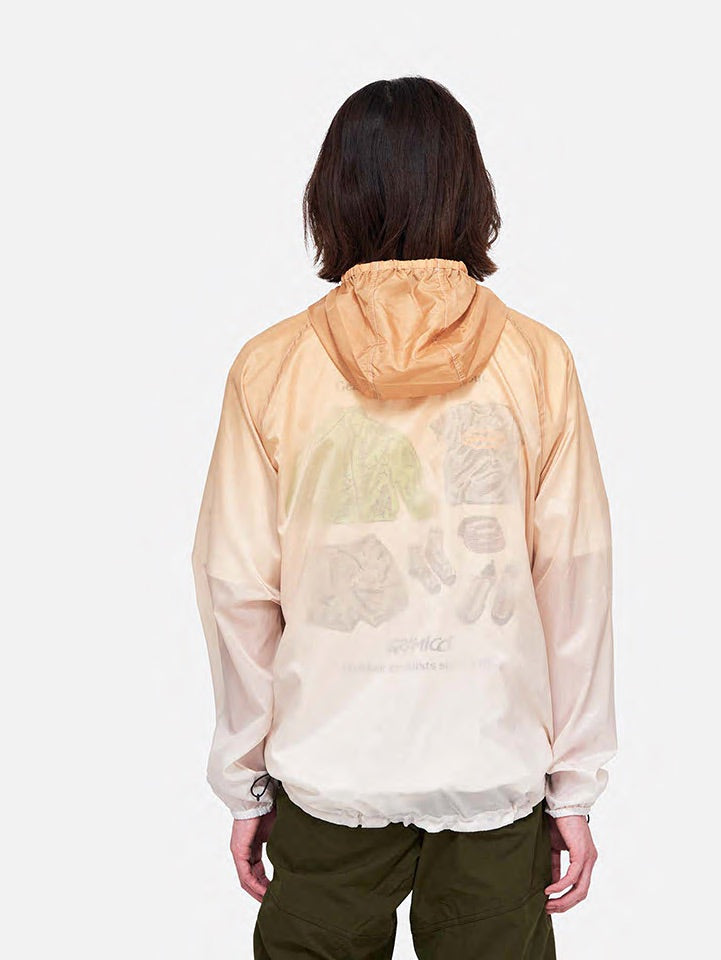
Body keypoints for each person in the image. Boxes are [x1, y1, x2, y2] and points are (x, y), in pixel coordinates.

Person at [191, 76, 617, 960]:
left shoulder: (272, 367)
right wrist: (572, 787)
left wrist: (246, 782)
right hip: (492, 772)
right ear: (469, 192)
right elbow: (573, 579)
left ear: (332, 196)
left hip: (330, 774)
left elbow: (237, 586)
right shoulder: (537, 362)